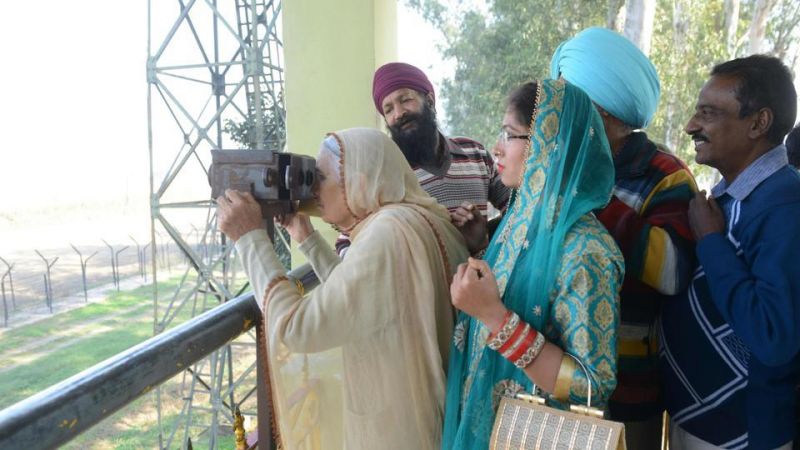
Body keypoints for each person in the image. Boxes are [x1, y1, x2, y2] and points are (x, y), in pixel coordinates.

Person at [217, 128, 470, 450]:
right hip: (425, 419)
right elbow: (362, 297)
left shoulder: (388, 233)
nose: (314, 188)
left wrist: (250, 239)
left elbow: (297, 327)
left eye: (321, 177)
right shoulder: (417, 218)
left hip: (400, 430)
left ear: (359, 181)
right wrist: (306, 237)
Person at [441, 79, 625, 450]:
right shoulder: (518, 222)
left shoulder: (586, 251)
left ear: (548, 145)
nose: (496, 148)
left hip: (532, 437)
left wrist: (495, 318)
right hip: (489, 430)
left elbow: (591, 387)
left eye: (510, 135)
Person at [550, 27, 697, 448]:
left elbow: (672, 271)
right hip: (556, 376)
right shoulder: (556, 167)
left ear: (602, 112)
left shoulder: (664, 174)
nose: (557, 114)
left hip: (630, 390)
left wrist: (593, 197)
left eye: (567, 99)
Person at [659, 55, 800, 449]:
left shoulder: (786, 204)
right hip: (700, 421)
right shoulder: (731, 197)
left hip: (743, 433)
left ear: (758, 123)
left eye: (708, 113)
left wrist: (712, 243)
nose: (691, 126)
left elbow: (772, 336)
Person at [335, 63, 510, 256]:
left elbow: (519, 208)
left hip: (484, 284)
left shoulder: (474, 153)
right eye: (389, 109)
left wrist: (484, 237)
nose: (399, 113)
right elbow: (346, 246)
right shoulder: (384, 176)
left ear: (430, 100)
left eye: (406, 100)